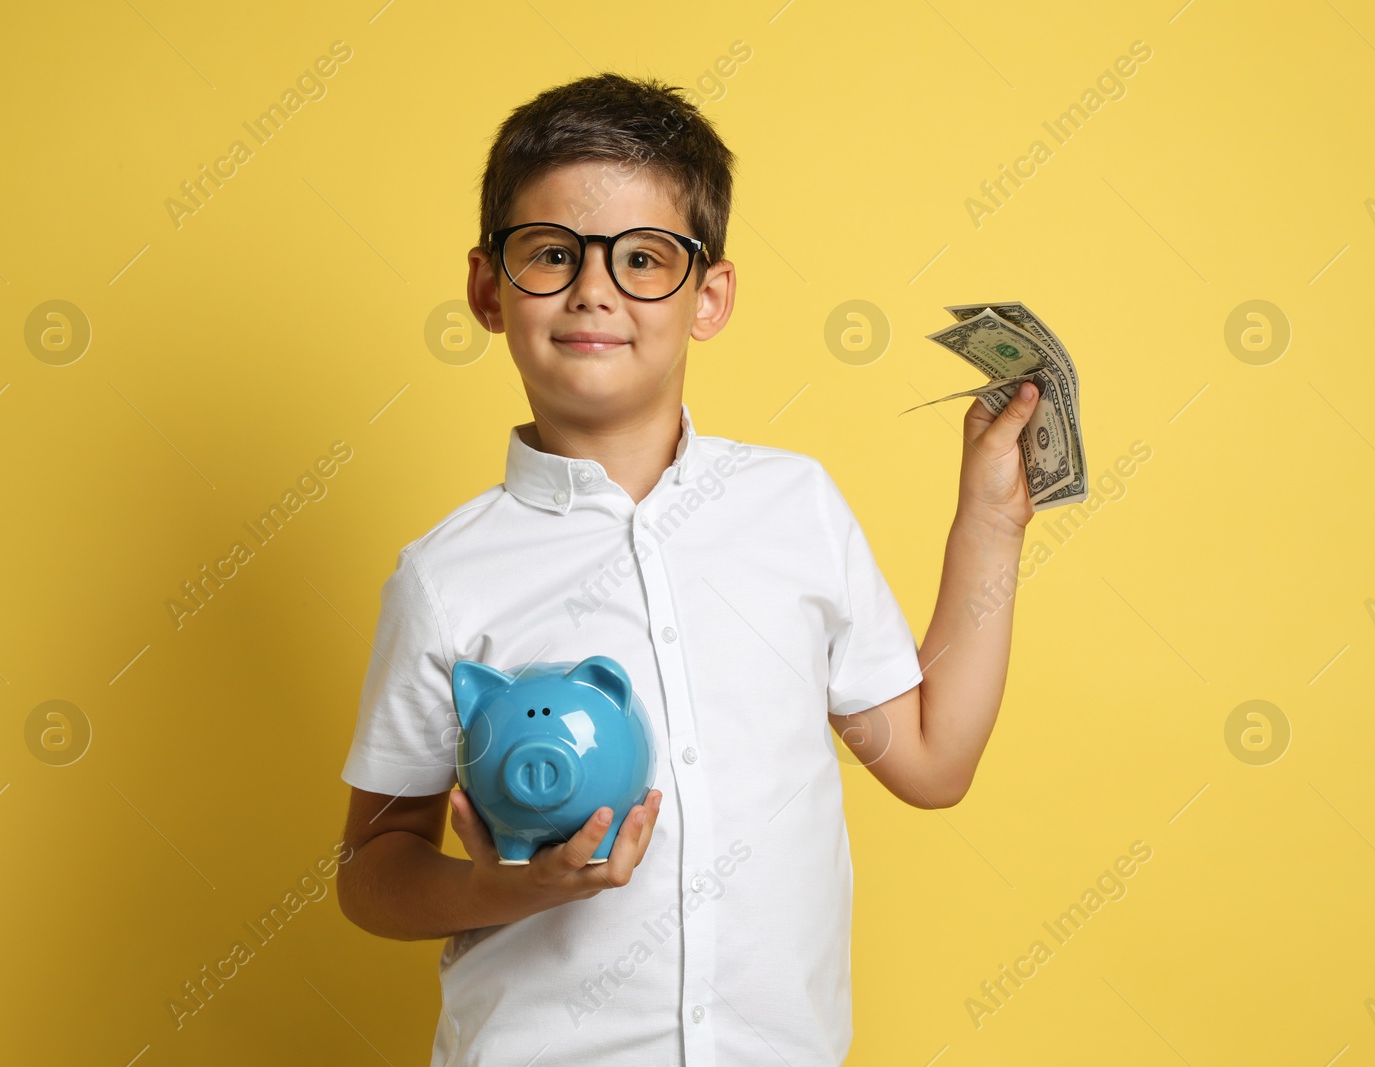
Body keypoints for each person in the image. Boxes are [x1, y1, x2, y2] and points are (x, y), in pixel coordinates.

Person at [336, 71, 1042, 1066]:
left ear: (707, 296)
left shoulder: (791, 508)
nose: (593, 290)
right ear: (488, 288)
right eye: (550, 254)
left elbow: (931, 761)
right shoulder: (445, 577)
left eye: (642, 259)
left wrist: (992, 517)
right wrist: (515, 886)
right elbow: (371, 869)